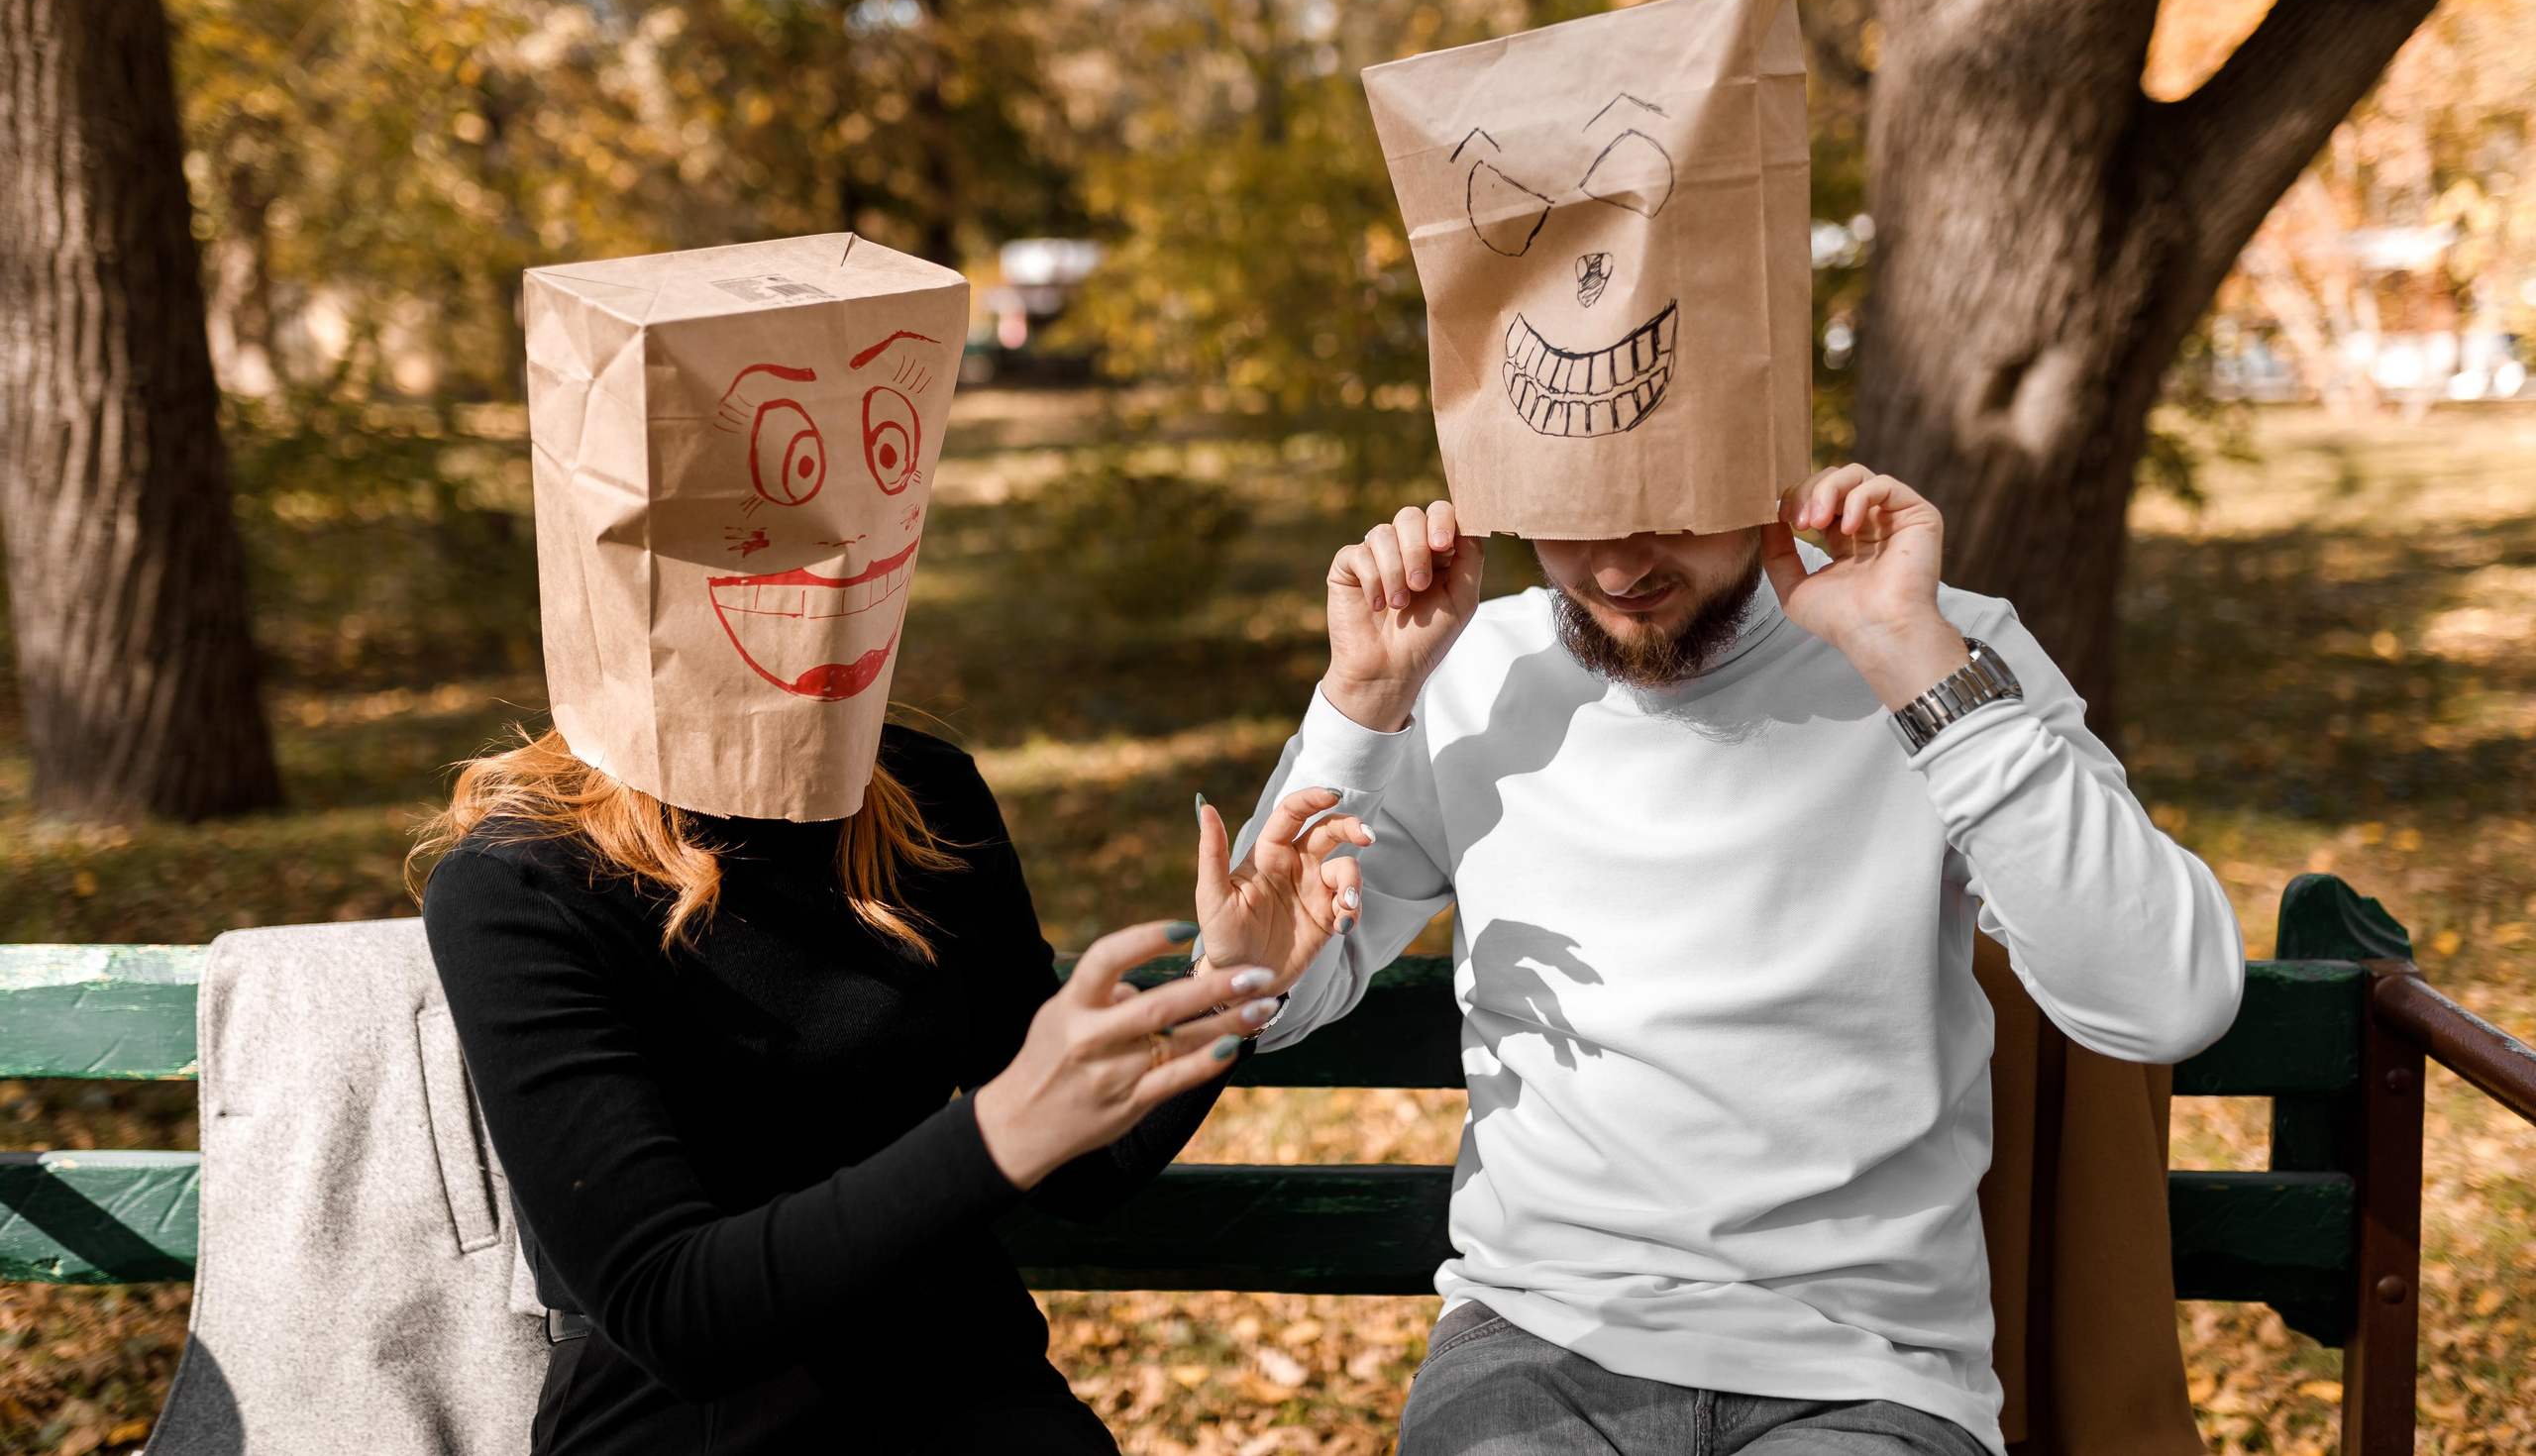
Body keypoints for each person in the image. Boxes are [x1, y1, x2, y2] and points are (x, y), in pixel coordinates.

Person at [1204, 464, 2245, 1456]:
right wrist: (1359, 706)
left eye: (1668, 506)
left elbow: (2169, 999)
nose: (1617, 567)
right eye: (1570, 518)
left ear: (1759, 456)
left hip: (1868, 1370)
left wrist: (1913, 659)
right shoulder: (1462, 672)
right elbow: (1271, 1000)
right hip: (1538, 1338)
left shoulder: (1934, 643)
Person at [417, 728, 1364, 1455]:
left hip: (963, 1383)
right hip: (687, 1421)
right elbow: (674, 1312)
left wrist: (1232, 986)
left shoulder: (924, 793)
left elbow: (1082, 1168)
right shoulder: (517, 880)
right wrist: (998, 1131)